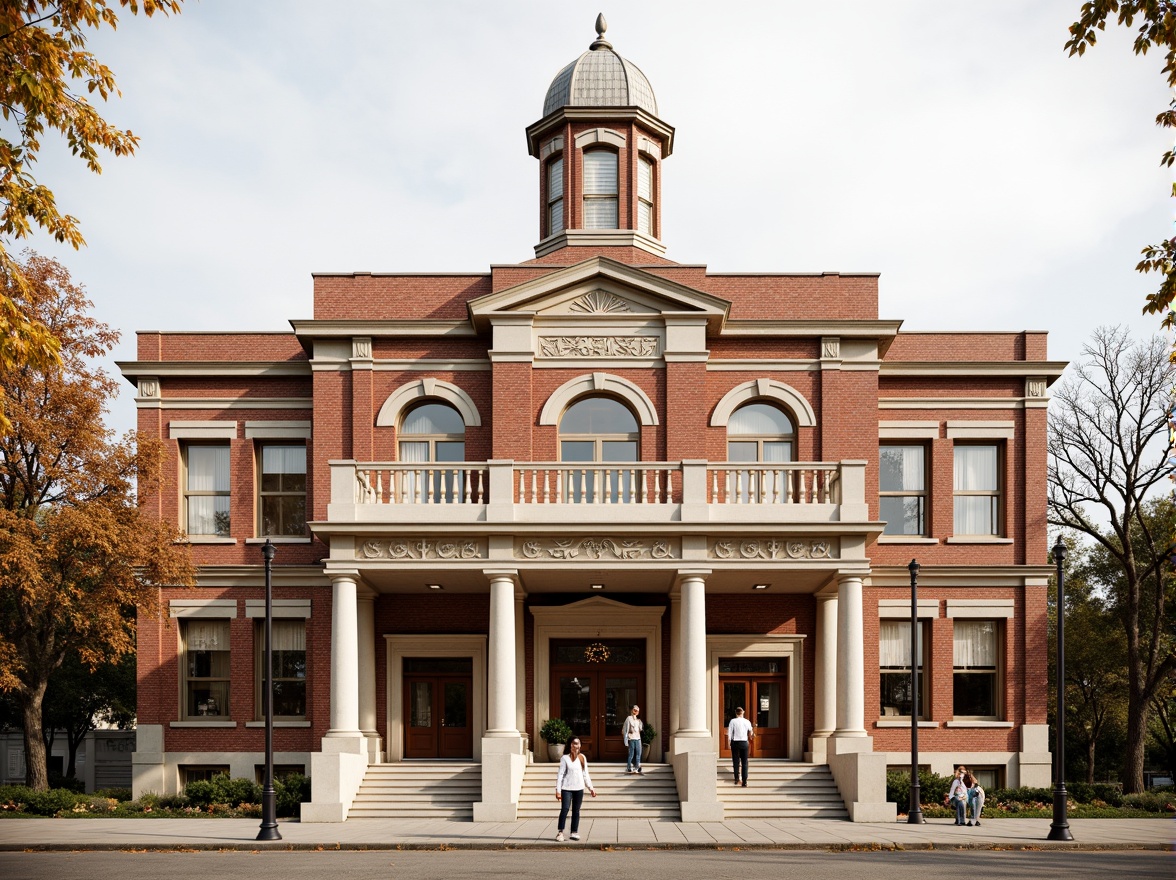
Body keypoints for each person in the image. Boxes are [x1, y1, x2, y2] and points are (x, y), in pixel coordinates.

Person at [554, 736, 596, 841]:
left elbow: (585, 774)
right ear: (570, 745)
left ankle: (574, 832)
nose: (575, 746)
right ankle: (560, 832)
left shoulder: (582, 758)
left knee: (576, 811)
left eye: (577, 743)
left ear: (580, 745)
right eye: (573, 743)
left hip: (579, 788)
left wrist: (591, 788)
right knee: (565, 809)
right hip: (566, 788)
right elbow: (560, 775)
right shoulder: (565, 758)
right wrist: (558, 791)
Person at [727, 706, 754, 787]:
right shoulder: (747, 721)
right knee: (744, 762)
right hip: (744, 742)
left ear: (736, 713)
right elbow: (751, 732)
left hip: (735, 742)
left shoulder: (733, 721)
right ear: (743, 712)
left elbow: (730, 733)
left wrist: (729, 743)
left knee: (736, 761)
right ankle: (744, 781)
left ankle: (736, 779)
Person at [621, 704, 644, 774]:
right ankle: (629, 767)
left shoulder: (638, 720)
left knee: (638, 753)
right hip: (631, 738)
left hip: (638, 738)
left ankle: (636, 767)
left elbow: (640, 729)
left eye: (637, 710)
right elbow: (624, 729)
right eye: (635, 710)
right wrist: (626, 737)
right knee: (631, 754)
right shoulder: (629, 718)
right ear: (632, 710)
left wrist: (640, 723)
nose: (636, 711)